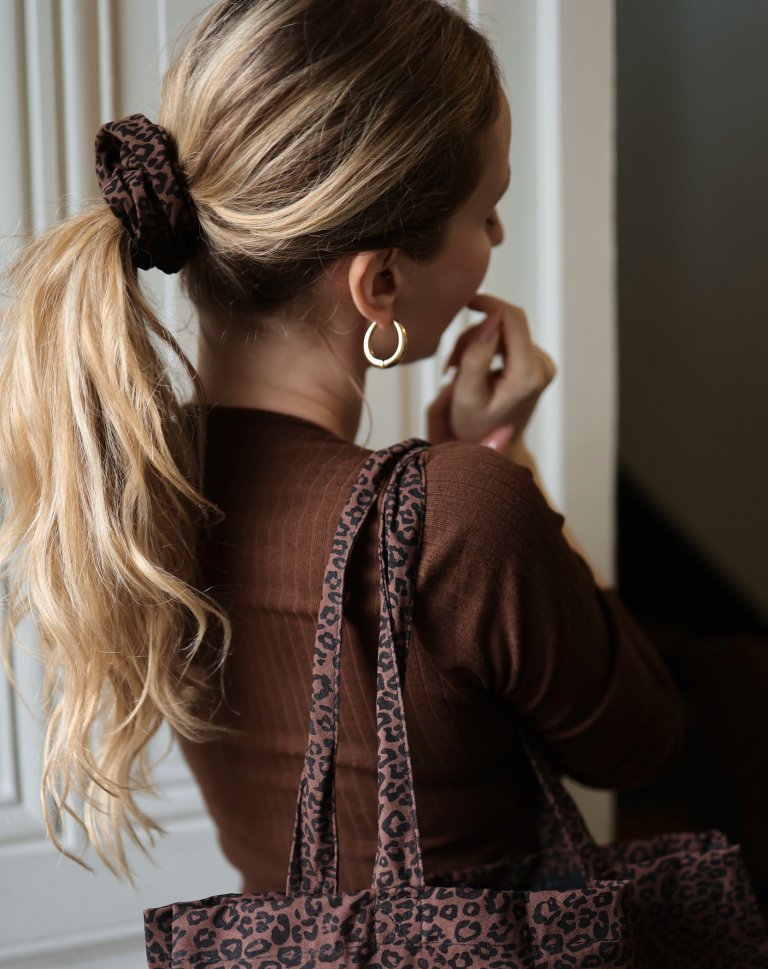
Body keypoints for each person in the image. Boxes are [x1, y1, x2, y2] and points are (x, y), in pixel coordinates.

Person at [0, 0, 683, 888]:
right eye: (488, 211)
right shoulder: (460, 517)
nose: (499, 237)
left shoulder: (131, 483)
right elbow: (639, 744)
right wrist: (501, 463)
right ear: (382, 283)